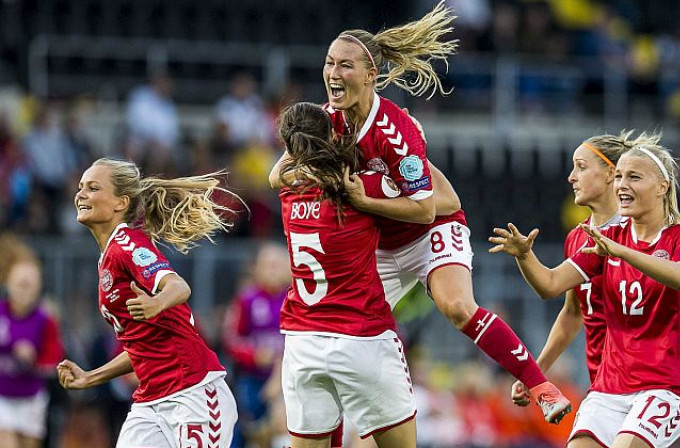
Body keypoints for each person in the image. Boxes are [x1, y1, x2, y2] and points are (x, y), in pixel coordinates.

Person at [270, 0, 571, 424]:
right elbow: (275, 177)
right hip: (378, 244)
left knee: (456, 308)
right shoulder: (324, 121)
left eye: (345, 66)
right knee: (331, 336)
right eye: (329, 63)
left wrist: (363, 200)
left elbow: (431, 208)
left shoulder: (395, 130)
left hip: (425, 233)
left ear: (371, 75)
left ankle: (541, 386)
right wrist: (314, 178)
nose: (334, 75)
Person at [489, 141, 680, 448]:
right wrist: (525, 256)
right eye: (621, 177)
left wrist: (621, 251)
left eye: (634, 178)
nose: (623, 185)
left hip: (665, 386)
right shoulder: (601, 239)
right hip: (609, 386)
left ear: (662, 187)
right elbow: (551, 286)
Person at [57, 158, 239, 448]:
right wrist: (92, 377)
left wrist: (158, 303)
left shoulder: (127, 244)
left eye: (93, 188)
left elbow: (178, 286)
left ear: (120, 203)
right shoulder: (108, 256)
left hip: (192, 392)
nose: (81, 194)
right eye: (81, 188)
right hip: (151, 402)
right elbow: (140, 345)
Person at [278, 102, 417, 448]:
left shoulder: (286, 190)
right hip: (361, 336)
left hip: (302, 343)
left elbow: (284, 168)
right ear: (331, 136)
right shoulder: (360, 186)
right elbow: (430, 203)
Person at [510, 131, 661, 404]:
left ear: (610, 174)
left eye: (581, 167)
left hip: (647, 383)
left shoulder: (640, 231)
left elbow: (550, 284)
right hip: (603, 384)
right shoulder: (578, 238)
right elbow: (572, 313)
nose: (571, 177)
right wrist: (536, 372)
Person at [223, 242, 291, 448]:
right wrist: (254, 355)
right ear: (257, 269)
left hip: (290, 376)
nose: (273, 269)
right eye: (268, 264)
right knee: (246, 426)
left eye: (278, 264)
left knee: (285, 421)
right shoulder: (247, 299)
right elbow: (231, 340)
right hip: (253, 377)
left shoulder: (296, 298)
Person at [0, 257, 64, 448]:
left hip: (31, 397)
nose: (23, 290)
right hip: (3, 395)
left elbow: (53, 360)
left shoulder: (45, 320)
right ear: (9, 284)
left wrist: (33, 360)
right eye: (20, 284)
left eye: (29, 285)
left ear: (38, 287)